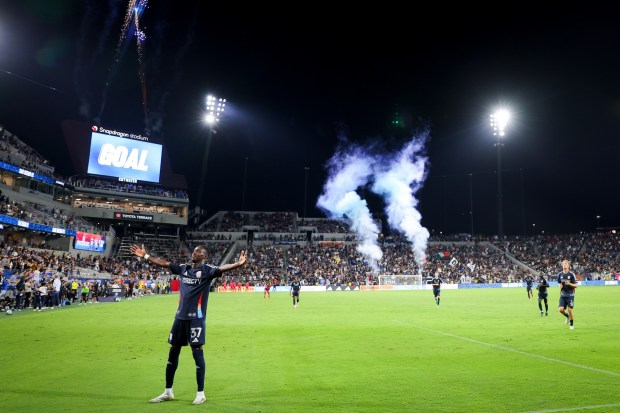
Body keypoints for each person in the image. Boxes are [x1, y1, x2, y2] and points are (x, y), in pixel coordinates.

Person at [130, 243, 248, 405]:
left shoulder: (207, 271)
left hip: (196, 318)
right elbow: (164, 263)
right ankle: (168, 391)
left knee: (196, 352)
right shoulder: (183, 268)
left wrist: (237, 264)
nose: (195, 252)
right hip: (179, 317)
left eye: (199, 251)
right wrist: (145, 256)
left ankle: (200, 393)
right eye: (194, 250)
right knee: (173, 352)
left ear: (204, 256)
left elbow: (222, 268)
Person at [557, 259, 577, 330]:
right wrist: (559, 286)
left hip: (570, 295)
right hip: (563, 295)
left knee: (570, 310)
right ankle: (567, 316)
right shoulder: (560, 274)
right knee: (560, 309)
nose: (564, 265)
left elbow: (576, 285)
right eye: (563, 264)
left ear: (568, 265)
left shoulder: (571, 274)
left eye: (565, 264)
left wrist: (569, 284)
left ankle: (571, 324)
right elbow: (559, 283)